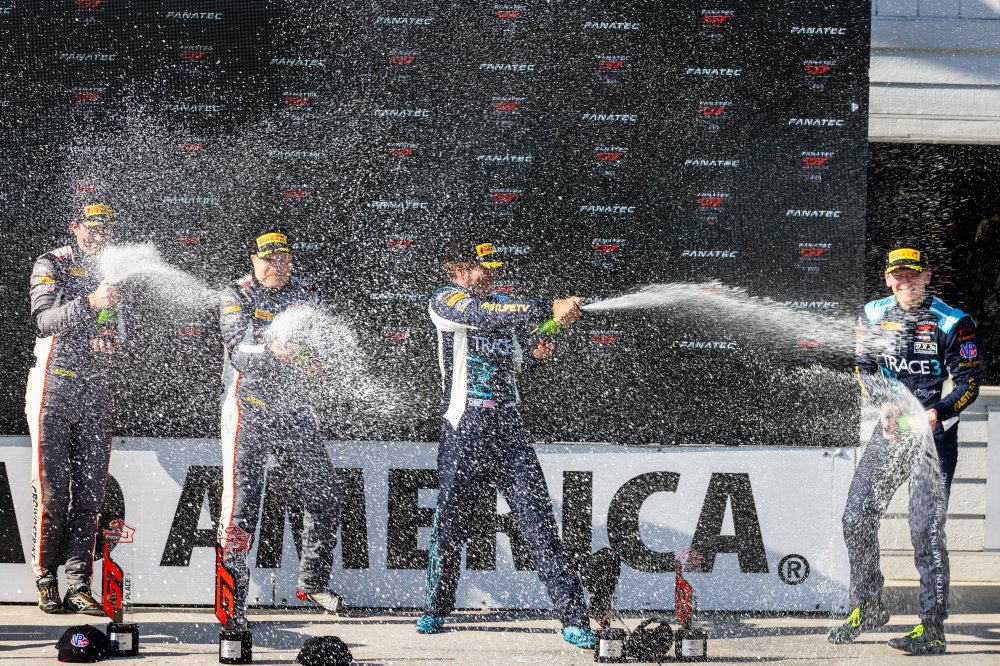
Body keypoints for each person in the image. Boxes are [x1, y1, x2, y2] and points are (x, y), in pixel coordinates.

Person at [415, 240, 596, 649]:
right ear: (459, 269)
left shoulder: (503, 305)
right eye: (484, 268)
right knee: (450, 525)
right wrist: (547, 306)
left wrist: (539, 347)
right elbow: (481, 315)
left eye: (496, 268)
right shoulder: (446, 301)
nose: (492, 275)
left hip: (509, 429)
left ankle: (574, 618)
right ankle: (435, 608)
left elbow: (516, 357)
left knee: (540, 525)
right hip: (464, 428)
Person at [829, 245, 981, 655]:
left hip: (934, 437)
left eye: (913, 274)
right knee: (856, 516)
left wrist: (936, 413)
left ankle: (932, 628)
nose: (906, 281)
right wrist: (883, 404)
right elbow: (864, 368)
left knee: (924, 530)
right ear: (887, 279)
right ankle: (868, 605)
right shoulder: (873, 314)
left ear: (927, 275)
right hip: (892, 431)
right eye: (898, 275)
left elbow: (969, 384)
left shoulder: (953, 321)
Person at [217, 228, 346, 623]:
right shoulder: (236, 294)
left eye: (283, 258)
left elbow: (318, 342)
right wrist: (273, 351)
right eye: (269, 259)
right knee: (242, 507)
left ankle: (312, 582)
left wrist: (316, 358)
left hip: (292, 407)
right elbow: (238, 351)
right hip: (248, 406)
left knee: (325, 493)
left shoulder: (305, 292)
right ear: (254, 261)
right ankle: (232, 598)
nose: (277, 265)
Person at [26, 203, 120, 614]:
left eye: (105, 229)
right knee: (52, 493)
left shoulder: (112, 270)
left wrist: (110, 339)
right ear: (76, 227)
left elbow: (116, 329)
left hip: (95, 390)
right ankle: (46, 578)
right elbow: (44, 321)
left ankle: (79, 584)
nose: (99, 236)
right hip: (53, 388)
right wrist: (90, 301)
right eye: (92, 228)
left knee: (89, 496)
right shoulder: (52, 262)